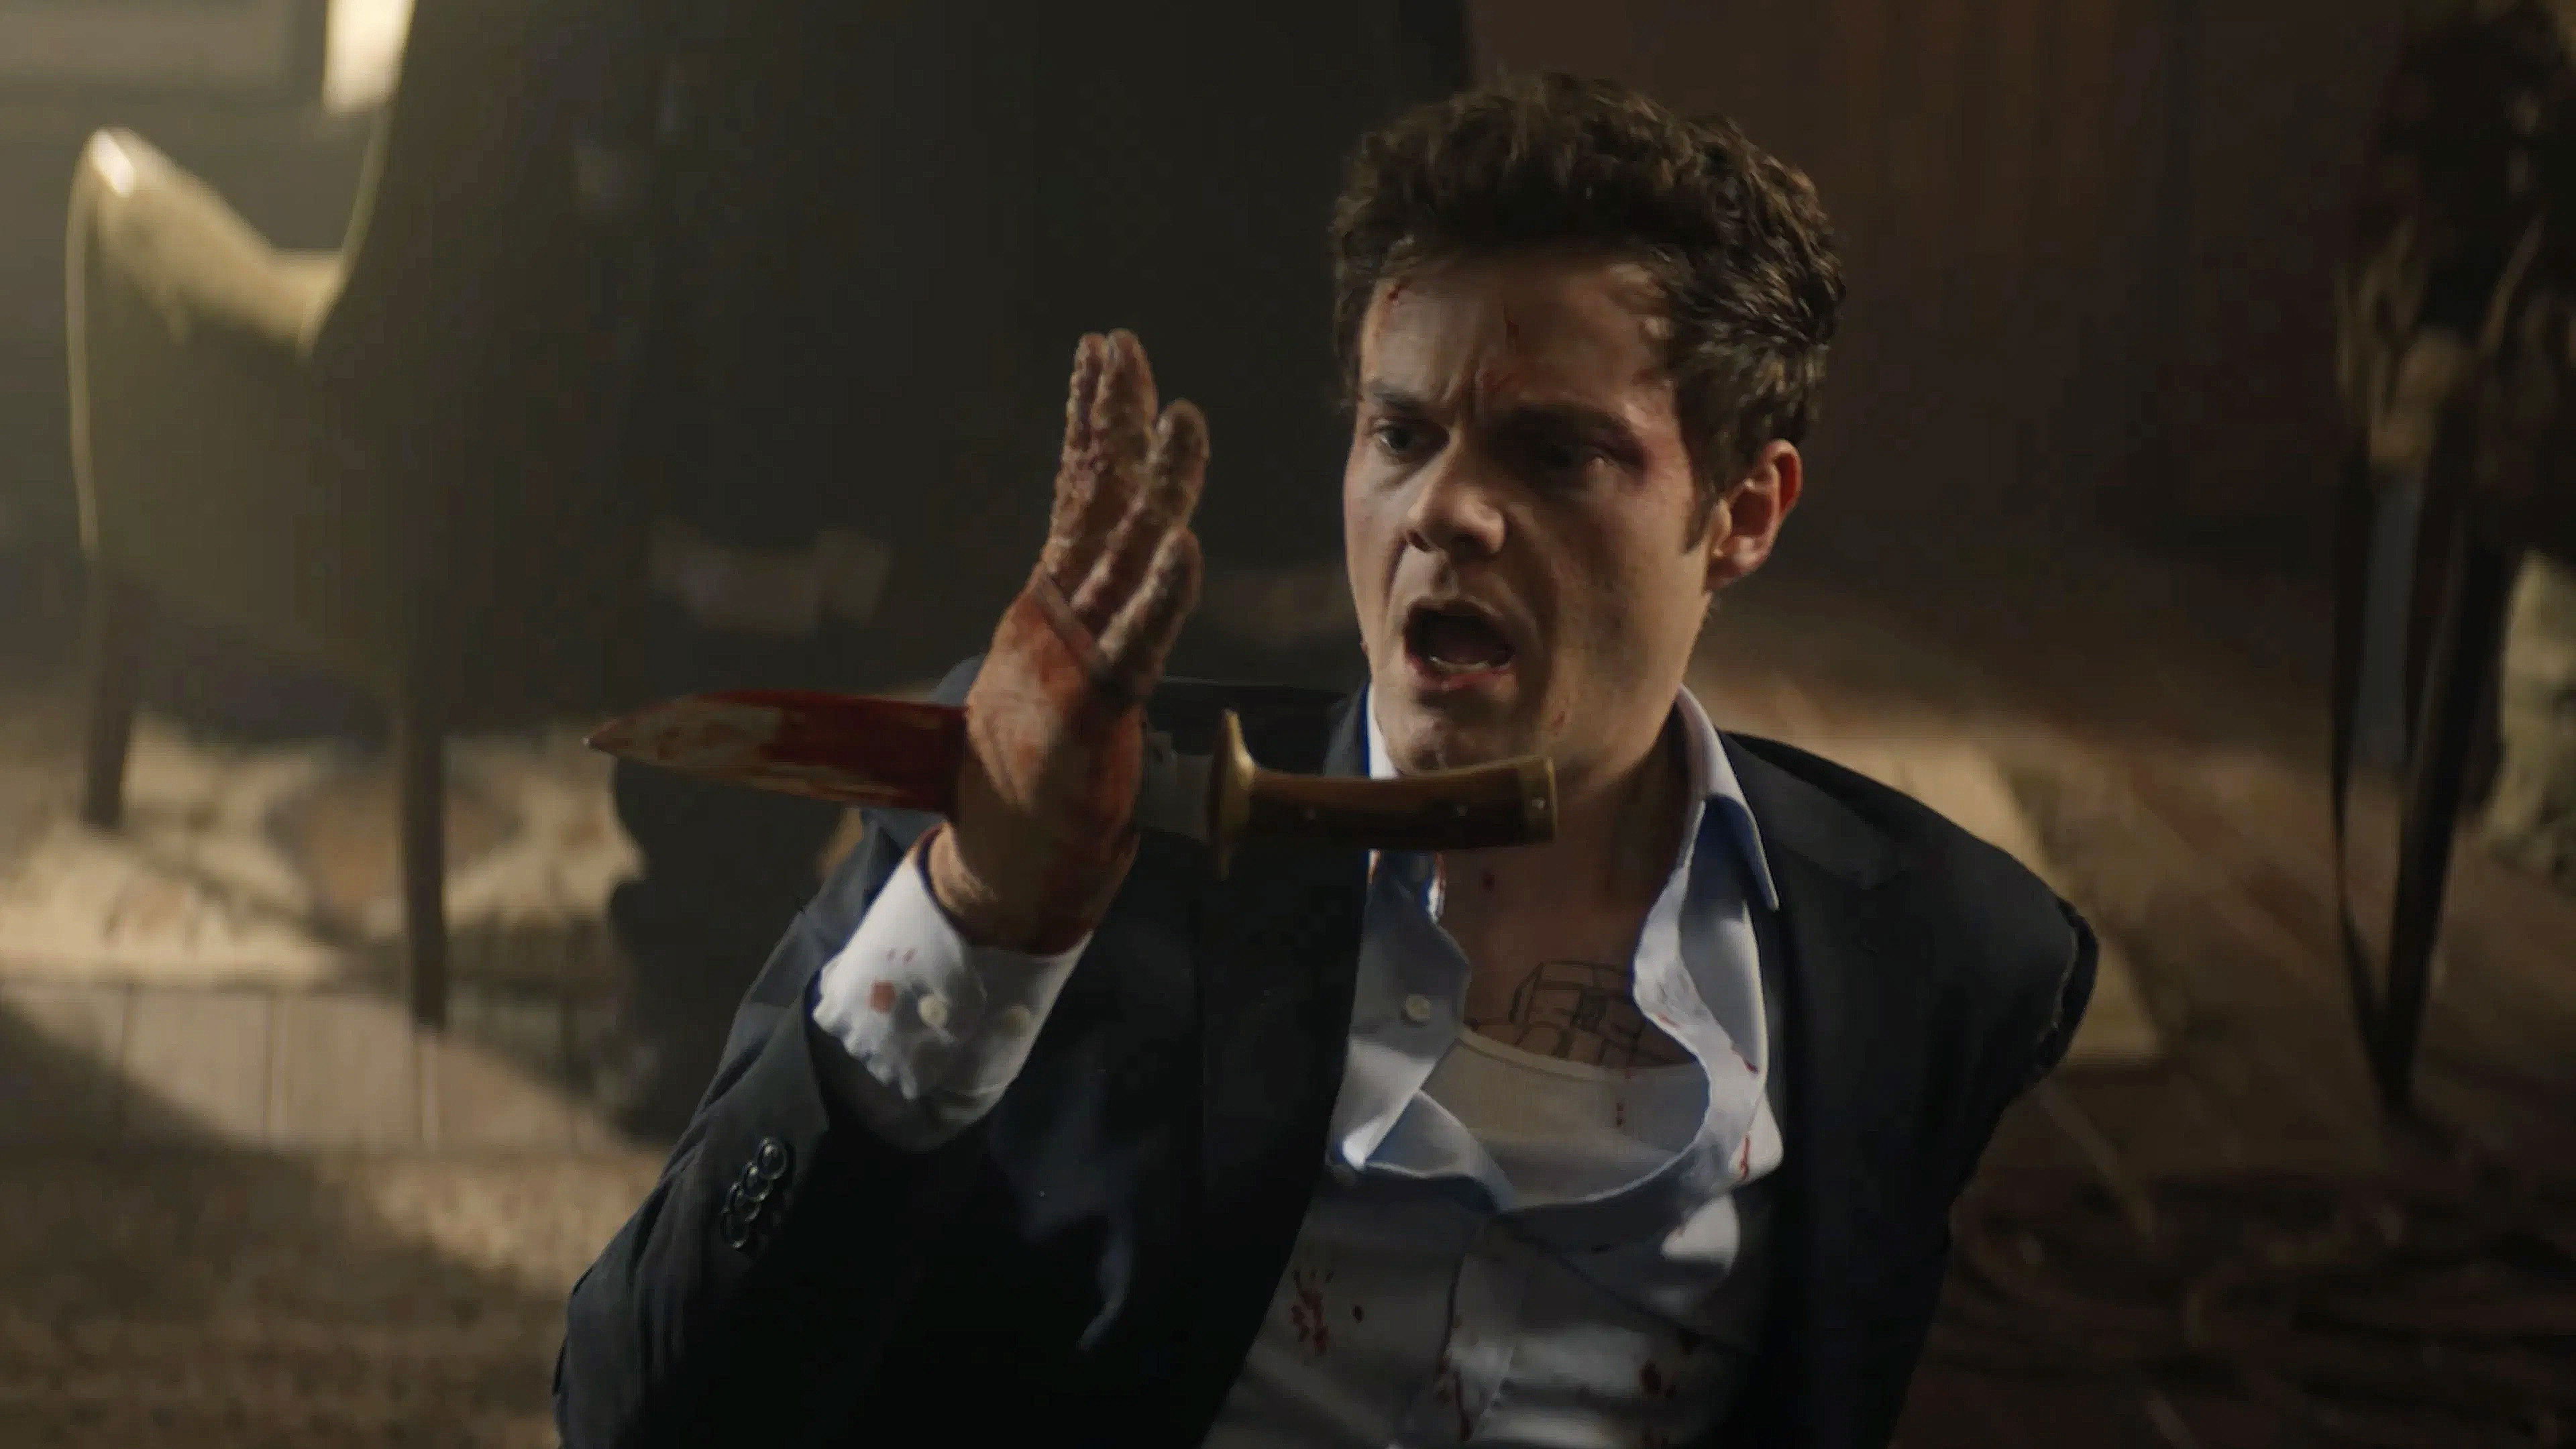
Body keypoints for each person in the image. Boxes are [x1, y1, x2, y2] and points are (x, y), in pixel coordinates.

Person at [557, 74, 2098, 1448]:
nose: (1446, 513)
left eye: (1555, 452)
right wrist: (977, 922)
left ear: (1745, 510)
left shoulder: (1939, 955)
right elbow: (643, 1411)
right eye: (1401, 435)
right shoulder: (1058, 821)